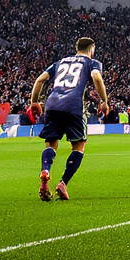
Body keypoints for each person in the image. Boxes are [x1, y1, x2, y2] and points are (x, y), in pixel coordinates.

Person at [29, 37, 109, 202]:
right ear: (91, 49)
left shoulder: (61, 62)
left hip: (52, 104)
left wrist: (34, 102)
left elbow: (40, 80)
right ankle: (63, 183)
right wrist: (104, 101)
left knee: (51, 143)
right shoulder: (92, 63)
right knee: (79, 145)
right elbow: (97, 78)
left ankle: (46, 171)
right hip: (72, 104)